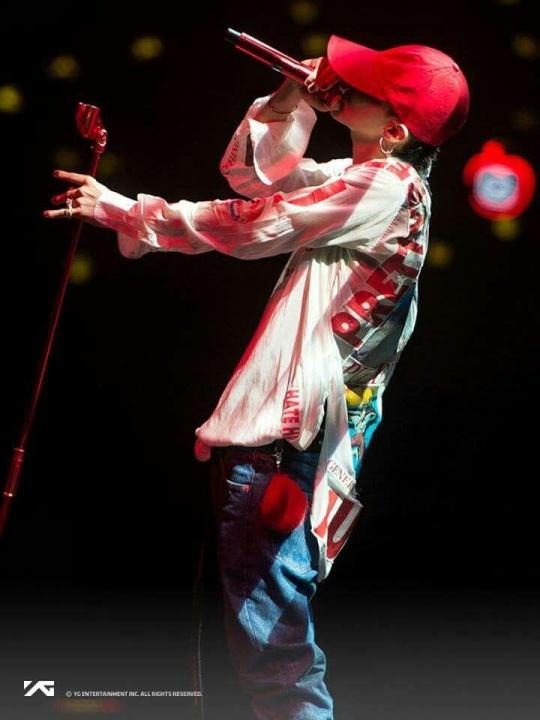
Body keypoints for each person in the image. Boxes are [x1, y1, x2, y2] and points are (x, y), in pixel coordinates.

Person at [43, 33, 470, 720]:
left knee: (277, 665)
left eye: (360, 86)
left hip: (282, 448)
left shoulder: (386, 188)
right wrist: (289, 94)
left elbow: (254, 222)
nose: (340, 82)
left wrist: (126, 211)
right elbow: (254, 175)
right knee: (270, 660)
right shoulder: (379, 181)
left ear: (394, 130)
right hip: (285, 449)